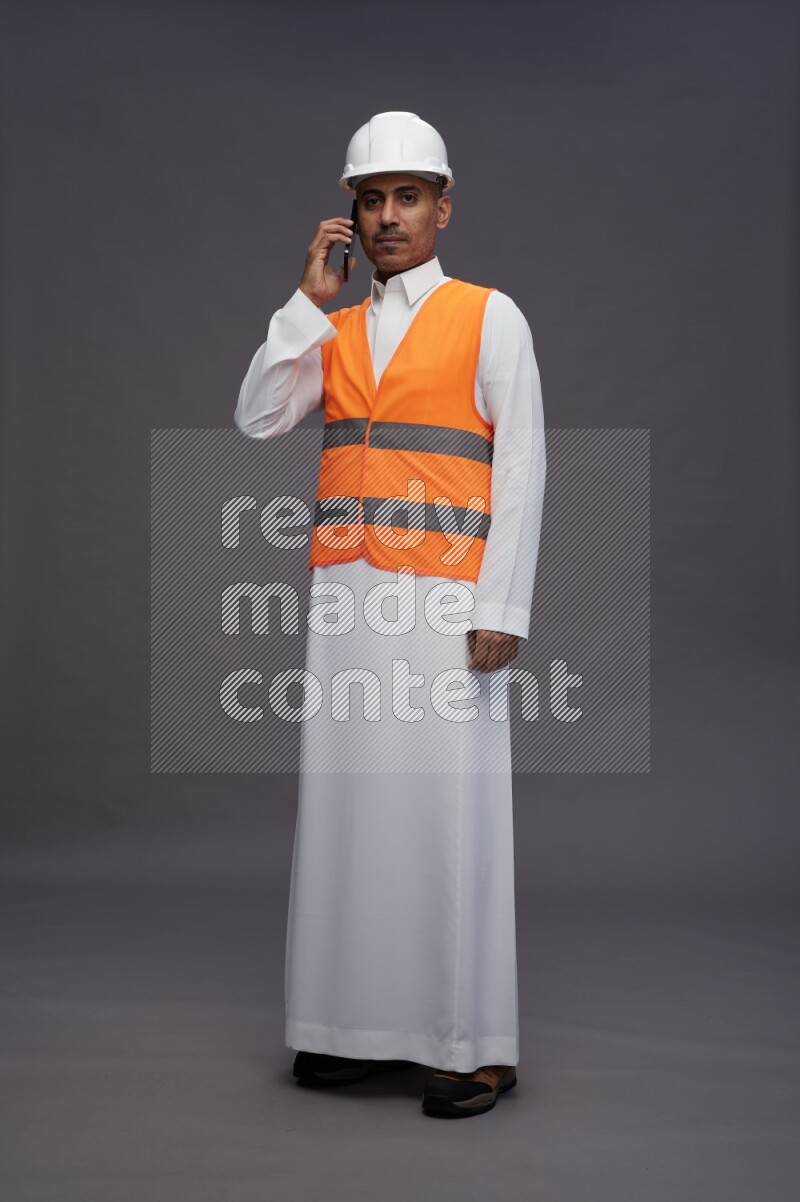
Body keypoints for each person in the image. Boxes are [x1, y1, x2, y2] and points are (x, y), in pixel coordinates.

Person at [234, 112, 546, 1118]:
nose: (387, 216)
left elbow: (522, 464)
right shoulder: (331, 330)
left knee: (450, 812)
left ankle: (474, 1045)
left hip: (449, 601)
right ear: (352, 217)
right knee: (350, 810)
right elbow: (258, 417)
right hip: (347, 598)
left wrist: (503, 604)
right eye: (371, 200)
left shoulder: (489, 315)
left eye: (407, 197)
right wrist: (304, 303)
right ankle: (349, 1029)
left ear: (442, 208)